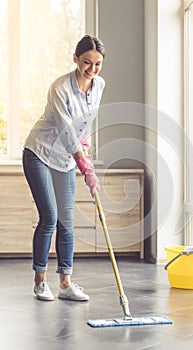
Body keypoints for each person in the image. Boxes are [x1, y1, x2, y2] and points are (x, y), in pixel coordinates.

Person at [22, 35, 105, 302]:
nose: (91, 69)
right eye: (86, 62)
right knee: (49, 217)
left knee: (67, 221)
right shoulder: (59, 88)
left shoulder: (99, 84)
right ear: (75, 59)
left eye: (97, 64)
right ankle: (39, 281)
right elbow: (68, 131)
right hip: (40, 153)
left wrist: (87, 155)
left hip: (67, 158)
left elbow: (86, 123)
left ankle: (66, 284)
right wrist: (85, 166)